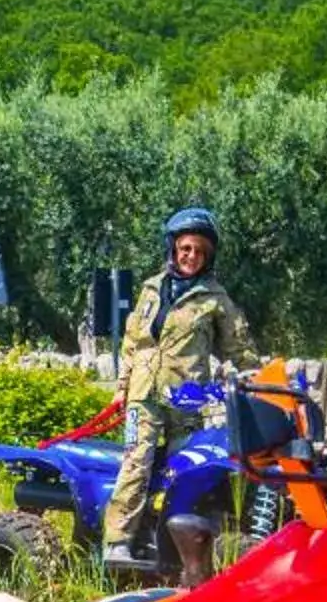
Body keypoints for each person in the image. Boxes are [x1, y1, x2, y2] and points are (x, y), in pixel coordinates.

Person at [104, 205, 254, 569]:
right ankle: (118, 541)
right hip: (144, 394)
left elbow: (240, 347)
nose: (192, 257)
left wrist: (262, 380)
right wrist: (122, 386)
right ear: (173, 248)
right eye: (186, 248)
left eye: (200, 251)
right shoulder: (150, 290)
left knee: (183, 473)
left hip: (186, 400)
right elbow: (133, 342)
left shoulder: (214, 299)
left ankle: (176, 550)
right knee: (136, 462)